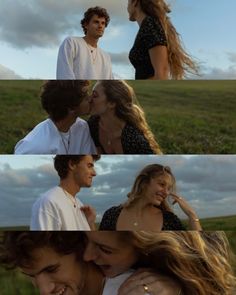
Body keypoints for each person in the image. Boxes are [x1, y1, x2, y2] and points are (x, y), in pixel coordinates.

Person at [0, 232, 183, 295]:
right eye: (32, 276)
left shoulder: (130, 289)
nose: (44, 290)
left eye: (52, 269)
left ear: (81, 249)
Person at [84, 231, 236, 295]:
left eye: (105, 249)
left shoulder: (189, 260)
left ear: (140, 245)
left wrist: (180, 289)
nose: (87, 256)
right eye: (85, 240)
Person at [99, 164, 202, 231]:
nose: (166, 192)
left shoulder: (169, 220)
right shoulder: (111, 215)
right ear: (144, 183)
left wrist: (192, 215)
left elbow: (197, 251)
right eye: (162, 184)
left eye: (169, 188)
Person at [14, 80, 96, 155]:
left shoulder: (81, 127)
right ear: (71, 108)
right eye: (85, 97)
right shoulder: (35, 148)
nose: (90, 99)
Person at [127, 0, 198, 79]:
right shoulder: (147, 25)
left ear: (135, 2)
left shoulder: (150, 24)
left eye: (128, 2)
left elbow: (162, 70)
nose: (127, 7)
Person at [88, 80, 162, 154]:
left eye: (95, 95)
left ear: (112, 103)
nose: (89, 99)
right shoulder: (93, 124)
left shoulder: (134, 140)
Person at [30, 155, 99, 230]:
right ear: (72, 165)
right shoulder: (48, 203)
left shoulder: (80, 204)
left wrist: (90, 223)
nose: (94, 173)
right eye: (89, 166)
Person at [57, 7, 113, 79]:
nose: (100, 26)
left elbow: (109, 82)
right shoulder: (71, 43)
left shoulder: (106, 56)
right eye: (96, 22)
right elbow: (64, 75)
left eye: (103, 23)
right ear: (86, 25)